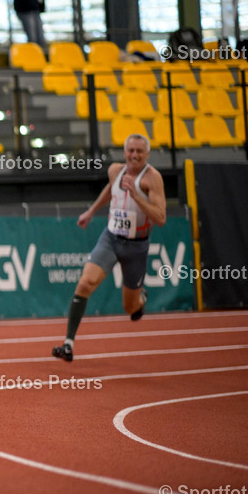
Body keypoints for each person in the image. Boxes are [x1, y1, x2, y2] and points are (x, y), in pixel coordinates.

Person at [52, 134, 166, 362]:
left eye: (139, 151)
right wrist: (91, 211)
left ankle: (140, 299)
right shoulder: (116, 171)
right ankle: (68, 344)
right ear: (124, 152)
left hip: (136, 246)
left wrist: (136, 195)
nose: (134, 155)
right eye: (130, 150)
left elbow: (161, 217)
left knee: (130, 308)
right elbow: (110, 190)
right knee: (85, 283)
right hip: (111, 239)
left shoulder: (152, 179)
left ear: (147, 154)